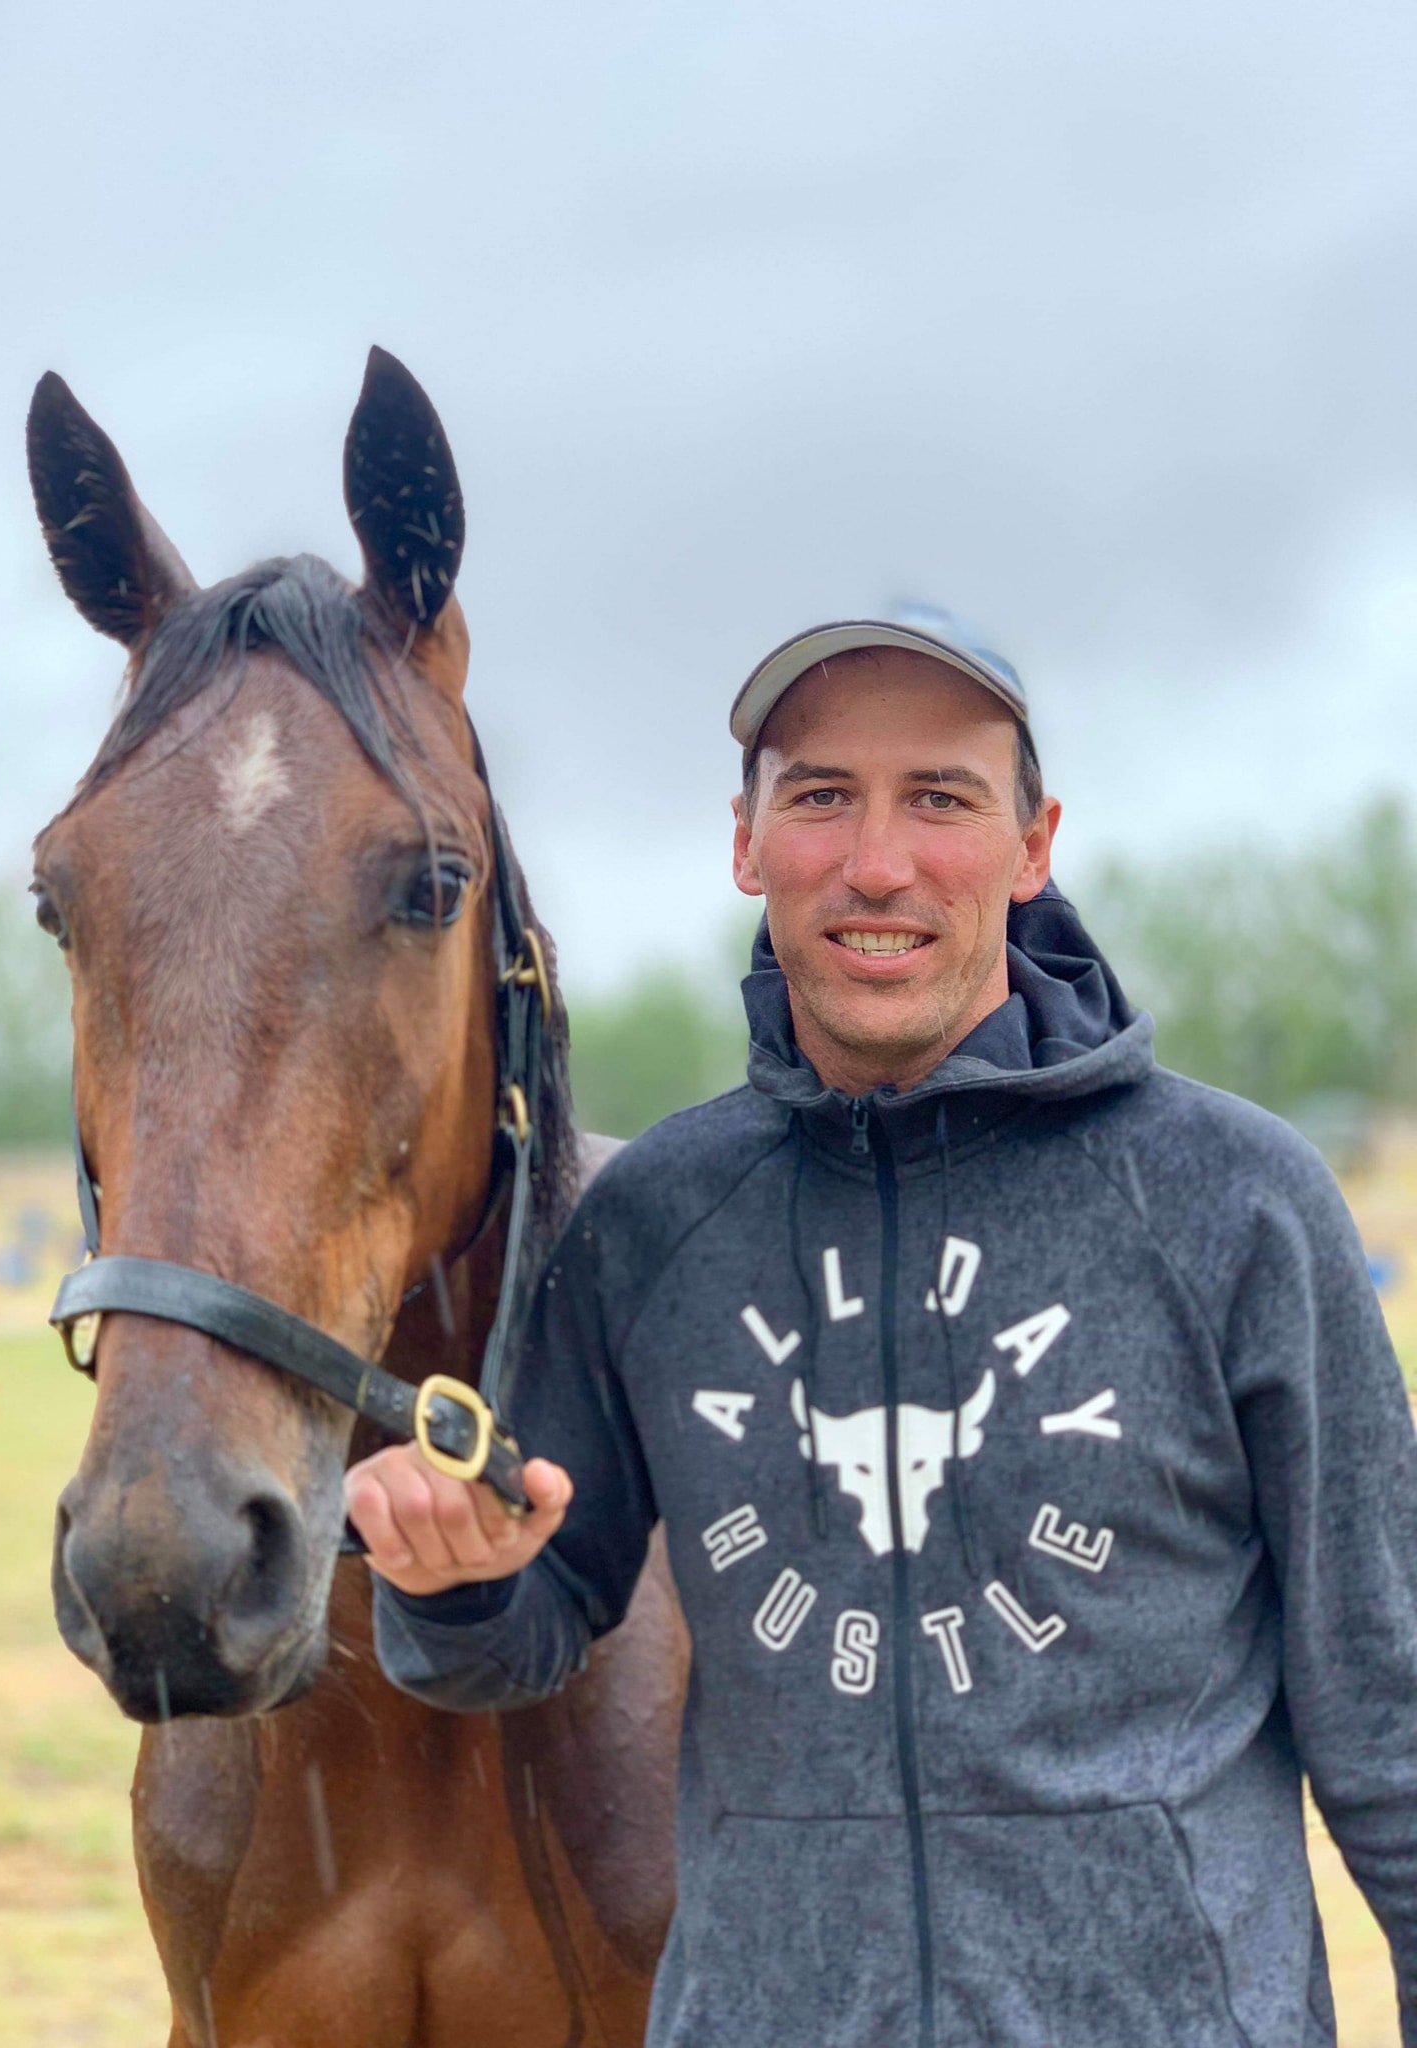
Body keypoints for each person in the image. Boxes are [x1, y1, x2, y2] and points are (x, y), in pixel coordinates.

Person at [347, 610, 1417, 2048]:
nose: (878, 862)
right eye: (822, 796)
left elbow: (1391, 1710)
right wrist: (449, 1583)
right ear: (747, 843)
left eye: (942, 798)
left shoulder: (1236, 1204)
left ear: (1034, 846)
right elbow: (525, 1634)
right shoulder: (653, 1224)